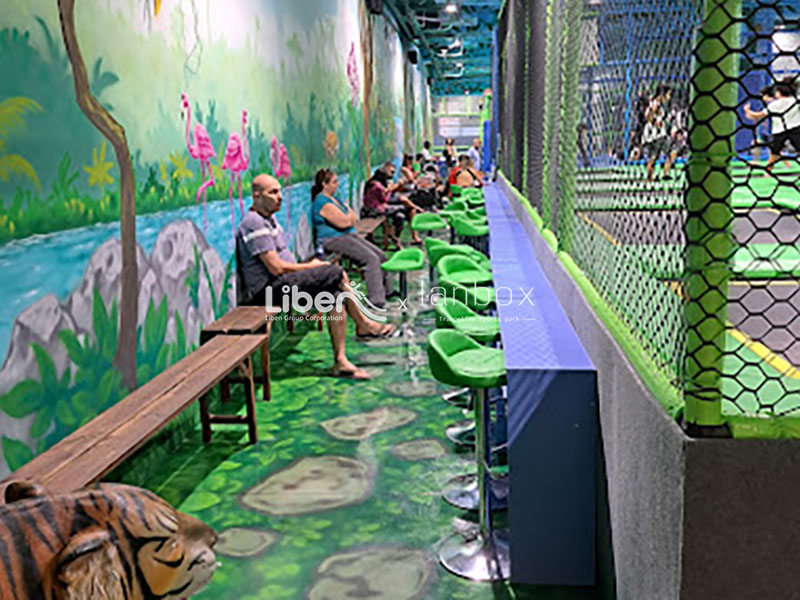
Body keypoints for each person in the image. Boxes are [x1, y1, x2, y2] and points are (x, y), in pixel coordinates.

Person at [238, 174, 394, 380]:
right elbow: (275, 268)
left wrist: (307, 269)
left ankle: (341, 360)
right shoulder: (254, 223)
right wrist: (309, 267)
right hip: (267, 291)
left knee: (336, 293)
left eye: (279, 191)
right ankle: (363, 324)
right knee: (335, 272)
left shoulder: (269, 219)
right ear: (256, 196)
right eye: (272, 192)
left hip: (282, 283)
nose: (279, 197)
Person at [311, 168, 392, 309]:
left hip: (347, 235)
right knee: (370, 259)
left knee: (380, 255)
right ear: (324, 184)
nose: (337, 185)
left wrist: (348, 216)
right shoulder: (322, 202)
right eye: (334, 182)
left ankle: (388, 291)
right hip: (333, 239)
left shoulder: (334, 199)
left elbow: (353, 217)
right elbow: (345, 222)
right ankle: (376, 300)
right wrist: (348, 216)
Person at [745, 78, 800, 173]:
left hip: (779, 131)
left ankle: (768, 173)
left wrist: (747, 111)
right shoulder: (795, 100)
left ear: (779, 92)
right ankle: (770, 171)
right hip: (796, 129)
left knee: (774, 153)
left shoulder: (774, 105)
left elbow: (759, 115)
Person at [642, 84, 674, 181]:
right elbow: (647, 115)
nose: (669, 97)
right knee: (655, 157)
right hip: (655, 135)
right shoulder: (655, 103)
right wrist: (654, 122)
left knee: (657, 156)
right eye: (668, 94)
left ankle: (663, 174)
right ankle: (652, 177)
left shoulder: (657, 103)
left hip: (659, 134)